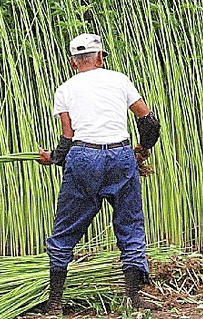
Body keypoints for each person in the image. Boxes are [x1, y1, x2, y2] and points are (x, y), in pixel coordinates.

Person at [38, 33, 161, 314]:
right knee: (130, 225)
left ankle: (55, 302)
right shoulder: (119, 80)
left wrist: (54, 158)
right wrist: (142, 149)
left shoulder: (65, 88)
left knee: (67, 228)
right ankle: (133, 298)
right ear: (100, 57)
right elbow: (148, 119)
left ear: (73, 62)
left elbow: (68, 135)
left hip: (84, 157)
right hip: (120, 155)